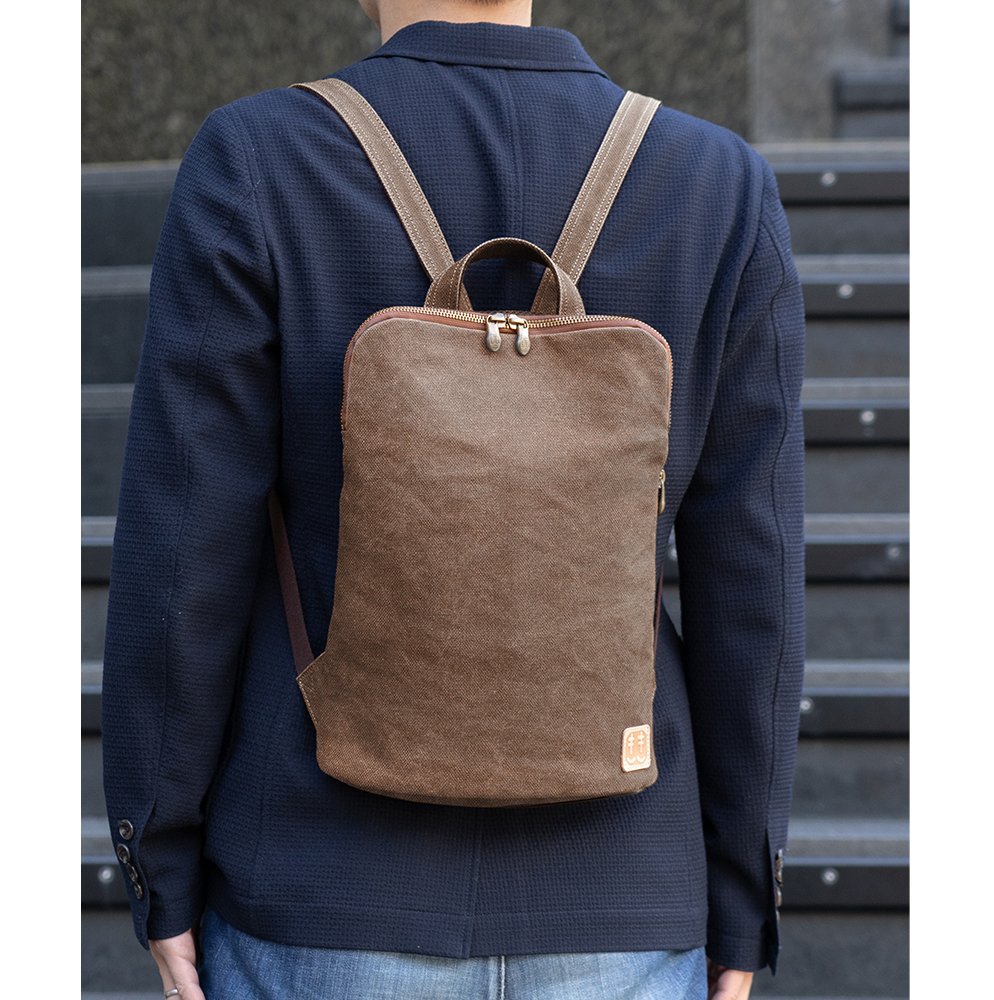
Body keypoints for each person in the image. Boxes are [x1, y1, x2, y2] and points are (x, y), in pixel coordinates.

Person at [101, 0, 805, 998]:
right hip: (623, 903)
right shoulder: (718, 183)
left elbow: (182, 555)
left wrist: (157, 856)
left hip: (318, 888)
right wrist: (742, 891)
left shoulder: (259, 157)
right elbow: (755, 583)